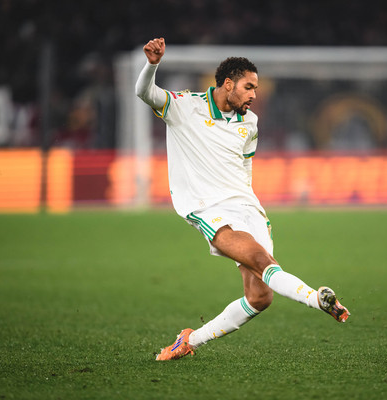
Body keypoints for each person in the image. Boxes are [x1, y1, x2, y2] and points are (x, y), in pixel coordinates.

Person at [135, 37, 350, 361]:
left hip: (247, 207)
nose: (254, 95)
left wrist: (250, 207)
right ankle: (316, 298)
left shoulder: (250, 123)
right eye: (249, 87)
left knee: (260, 296)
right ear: (228, 84)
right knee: (264, 262)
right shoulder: (184, 106)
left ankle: (189, 340)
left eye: (256, 89)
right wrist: (152, 65)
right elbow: (144, 93)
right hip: (209, 209)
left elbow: (245, 167)